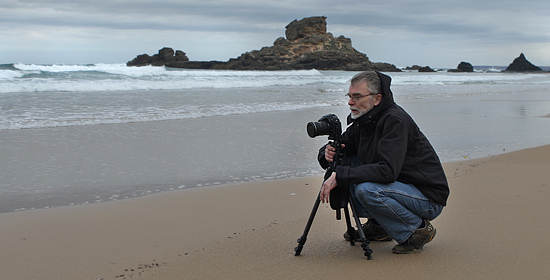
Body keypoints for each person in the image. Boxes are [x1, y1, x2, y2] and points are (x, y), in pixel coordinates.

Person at [317, 71, 449, 254]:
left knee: (367, 189)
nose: (350, 102)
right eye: (349, 97)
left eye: (357, 97)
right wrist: (327, 153)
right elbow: (343, 147)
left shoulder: (395, 121)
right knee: (347, 162)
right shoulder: (364, 121)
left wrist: (340, 176)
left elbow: (387, 171)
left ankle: (417, 229)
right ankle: (380, 226)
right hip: (401, 189)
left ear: (377, 98)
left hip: (427, 197)